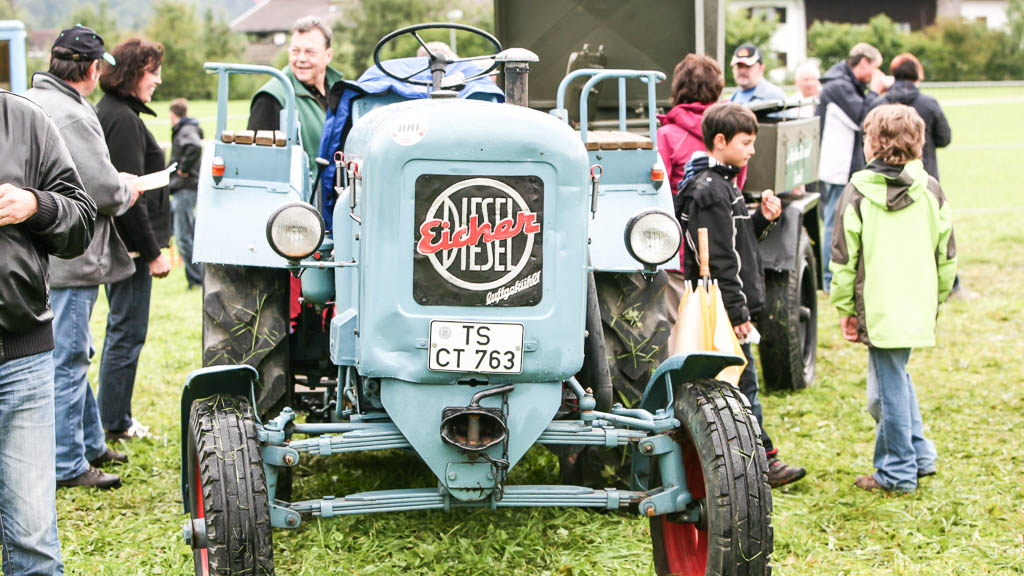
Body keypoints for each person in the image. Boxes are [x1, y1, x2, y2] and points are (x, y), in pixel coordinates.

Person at [25, 25, 139, 490]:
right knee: (69, 357)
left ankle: (90, 441)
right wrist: (127, 188)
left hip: (42, 251)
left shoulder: (33, 101)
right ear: (93, 69)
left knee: (76, 349)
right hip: (71, 257)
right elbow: (102, 189)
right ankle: (68, 463)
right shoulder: (70, 113)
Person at [675, 102, 806, 488]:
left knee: (739, 382)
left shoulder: (722, 184)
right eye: (746, 142)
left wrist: (762, 220)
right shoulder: (709, 191)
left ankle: (751, 457)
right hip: (721, 307)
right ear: (720, 141)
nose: (751, 150)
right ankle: (760, 460)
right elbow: (717, 258)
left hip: (727, 304)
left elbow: (738, 241)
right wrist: (736, 311)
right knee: (741, 383)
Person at [829, 104, 956, 492]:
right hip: (918, 303)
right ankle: (920, 454)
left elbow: (843, 259)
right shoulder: (931, 188)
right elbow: (946, 253)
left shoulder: (856, 192)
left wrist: (845, 310)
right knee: (894, 381)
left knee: (883, 394)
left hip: (878, 307)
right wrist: (937, 298)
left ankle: (897, 472)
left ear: (873, 144)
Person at [0, 87, 96, 574]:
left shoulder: (26, 120)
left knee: (34, 540)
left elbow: (82, 220)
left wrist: (34, 205)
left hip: (21, 358)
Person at [96, 37, 170, 441]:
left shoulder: (119, 112)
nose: (158, 80)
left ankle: (112, 416)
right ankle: (114, 421)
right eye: (152, 71)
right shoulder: (122, 118)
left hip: (129, 245)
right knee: (127, 331)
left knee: (122, 330)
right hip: (132, 248)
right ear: (133, 72)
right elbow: (129, 194)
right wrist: (153, 251)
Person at [817, 42, 886, 292]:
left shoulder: (843, 84)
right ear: (864, 63)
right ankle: (827, 278)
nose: (874, 75)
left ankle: (833, 276)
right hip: (836, 167)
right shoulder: (838, 87)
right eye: (874, 68)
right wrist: (876, 93)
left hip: (843, 165)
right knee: (833, 221)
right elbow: (863, 118)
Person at [248, 15, 343, 179]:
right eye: (295, 51)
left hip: (335, 196)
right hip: (298, 201)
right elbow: (257, 165)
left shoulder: (341, 92)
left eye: (310, 52)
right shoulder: (272, 98)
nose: (301, 59)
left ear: (328, 55)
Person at [168, 98, 204, 289]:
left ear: (173, 114)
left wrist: (183, 169)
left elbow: (194, 146)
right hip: (185, 187)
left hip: (185, 187)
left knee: (183, 236)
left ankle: (196, 279)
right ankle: (197, 277)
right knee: (187, 233)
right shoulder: (187, 128)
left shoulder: (186, 130)